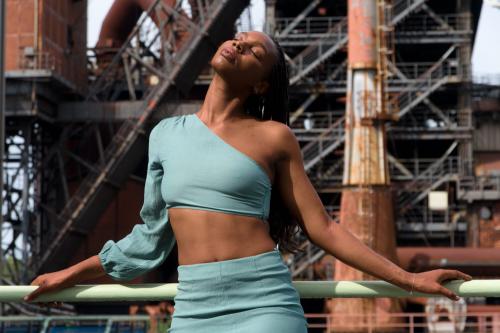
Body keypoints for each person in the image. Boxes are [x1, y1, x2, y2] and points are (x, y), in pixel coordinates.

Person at [24, 31, 472, 332]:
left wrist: (408, 281)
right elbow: (150, 240)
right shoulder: (165, 134)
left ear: (261, 85)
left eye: (254, 52)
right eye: (238, 39)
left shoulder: (274, 137)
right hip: (194, 308)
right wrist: (71, 273)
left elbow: (324, 229)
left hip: (263, 304)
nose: (238, 45)